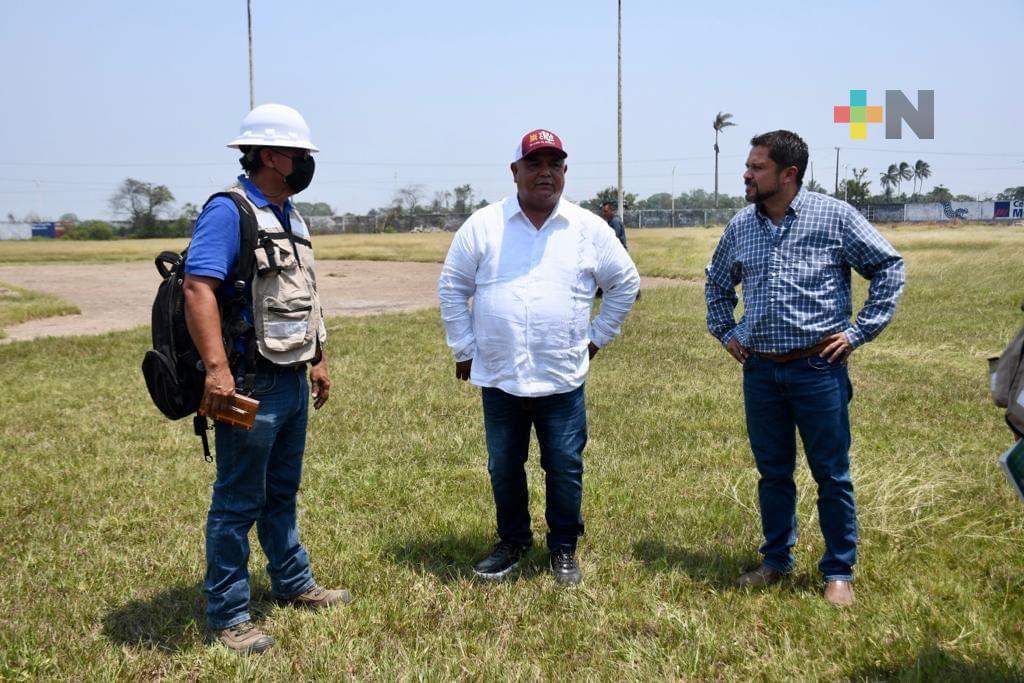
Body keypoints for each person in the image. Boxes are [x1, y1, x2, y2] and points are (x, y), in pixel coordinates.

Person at [704, 130, 905, 607]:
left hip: (818, 369)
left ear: (788, 174)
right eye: (748, 166)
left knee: (831, 474)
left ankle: (838, 571)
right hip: (762, 373)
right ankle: (776, 560)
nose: (747, 174)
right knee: (773, 472)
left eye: (757, 167)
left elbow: (889, 267)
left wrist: (857, 332)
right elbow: (716, 285)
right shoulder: (741, 226)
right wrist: (727, 332)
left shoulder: (834, 217)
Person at [438, 129, 640, 586]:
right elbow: (453, 286)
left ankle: (564, 548)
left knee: (565, 465)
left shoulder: (588, 229)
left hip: (562, 377)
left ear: (565, 173)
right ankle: (512, 541)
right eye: (534, 164)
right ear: (516, 172)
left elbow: (625, 282)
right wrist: (464, 347)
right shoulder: (484, 225)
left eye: (554, 165)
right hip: (500, 375)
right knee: (503, 465)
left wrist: (598, 336)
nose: (545, 173)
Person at [183, 104, 349, 654]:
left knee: (282, 491)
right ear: (272, 155)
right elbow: (197, 289)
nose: (305, 163)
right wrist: (217, 372)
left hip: (292, 377)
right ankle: (228, 615)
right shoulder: (230, 211)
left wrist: (318, 356)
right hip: (250, 383)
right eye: (299, 154)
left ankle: (293, 582)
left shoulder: (291, 214)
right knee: (237, 502)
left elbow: (302, 295)